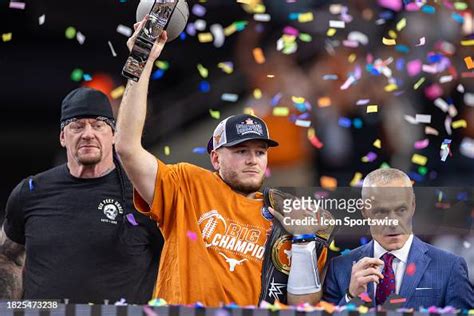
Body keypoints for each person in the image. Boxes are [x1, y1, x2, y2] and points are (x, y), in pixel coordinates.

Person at [115, 18, 325, 306]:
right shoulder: (186, 185)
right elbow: (126, 147)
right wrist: (143, 60)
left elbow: (305, 306)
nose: (252, 160)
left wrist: (303, 242)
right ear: (215, 157)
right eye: (240, 151)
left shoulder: (286, 216)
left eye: (260, 152)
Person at [0, 87, 163, 304]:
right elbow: (7, 256)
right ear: (62, 137)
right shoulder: (31, 191)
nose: (88, 134)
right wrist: (8, 308)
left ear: (113, 135)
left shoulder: (142, 194)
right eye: (77, 126)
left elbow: (175, 261)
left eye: (98, 125)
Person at [323, 168, 474, 308]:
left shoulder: (450, 266)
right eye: (381, 211)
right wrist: (351, 297)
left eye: (401, 210)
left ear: (413, 205)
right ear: (364, 211)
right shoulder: (339, 268)